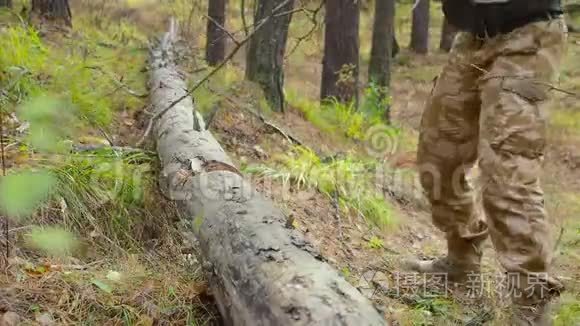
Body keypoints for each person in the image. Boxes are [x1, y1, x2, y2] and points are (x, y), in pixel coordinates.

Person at [403, 1, 567, 325]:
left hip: (528, 33)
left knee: (507, 169)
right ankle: (461, 263)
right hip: (474, 35)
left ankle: (530, 305)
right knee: (438, 155)